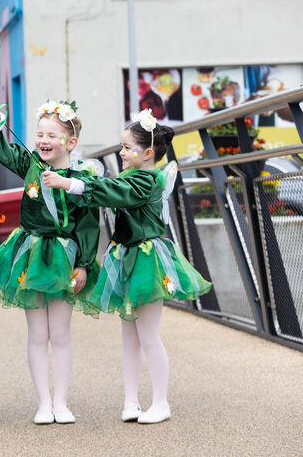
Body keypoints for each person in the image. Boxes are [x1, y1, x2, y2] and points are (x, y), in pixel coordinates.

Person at [43, 109, 212, 424]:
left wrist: (69, 183)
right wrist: (78, 179)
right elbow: (107, 192)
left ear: (148, 153)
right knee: (131, 338)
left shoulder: (145, 181)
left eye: (126, 147)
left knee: (148, 336)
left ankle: (160, 402)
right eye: (120, 146)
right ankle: (131, 401)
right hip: (125, 258)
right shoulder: (132, 177)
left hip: (145, 260)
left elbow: (113, 193)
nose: (120, 152)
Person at [0, 99, 101, 425]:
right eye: (40, 133)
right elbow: (0, 148)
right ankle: (43, 402)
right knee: (37, 334)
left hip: (64, 259)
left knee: (62, 334)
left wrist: (83, 263)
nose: (43, 140)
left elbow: (88, 223)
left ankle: (61, 402)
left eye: (52, 135)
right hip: (29, 254)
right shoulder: (30, 165)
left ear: (70, 142)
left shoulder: (80, 177)